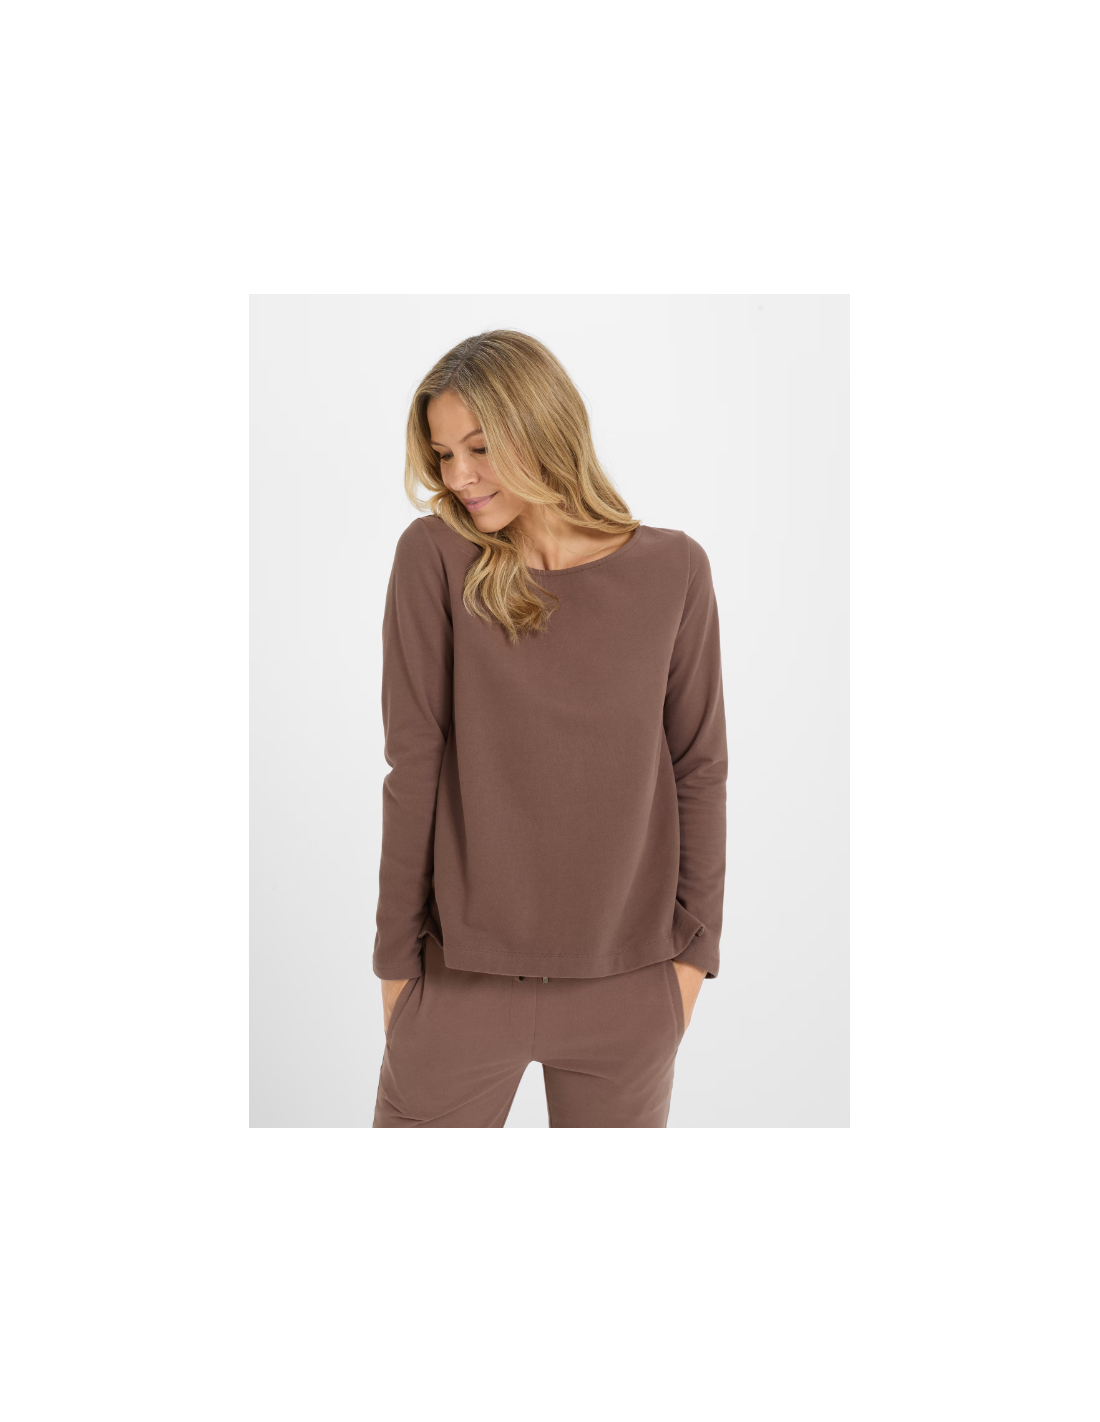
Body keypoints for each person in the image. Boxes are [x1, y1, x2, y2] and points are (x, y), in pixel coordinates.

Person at [372, 329, 727, 1127]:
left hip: (630, 986)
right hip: (459, 982)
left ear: (543, 427)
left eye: (479, 448)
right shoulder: (436, 557)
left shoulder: (675, 569)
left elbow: (699, 766)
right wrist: (395, 966)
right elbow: (414, 763)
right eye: (443, 455)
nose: (458, 477)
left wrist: (693, 958)